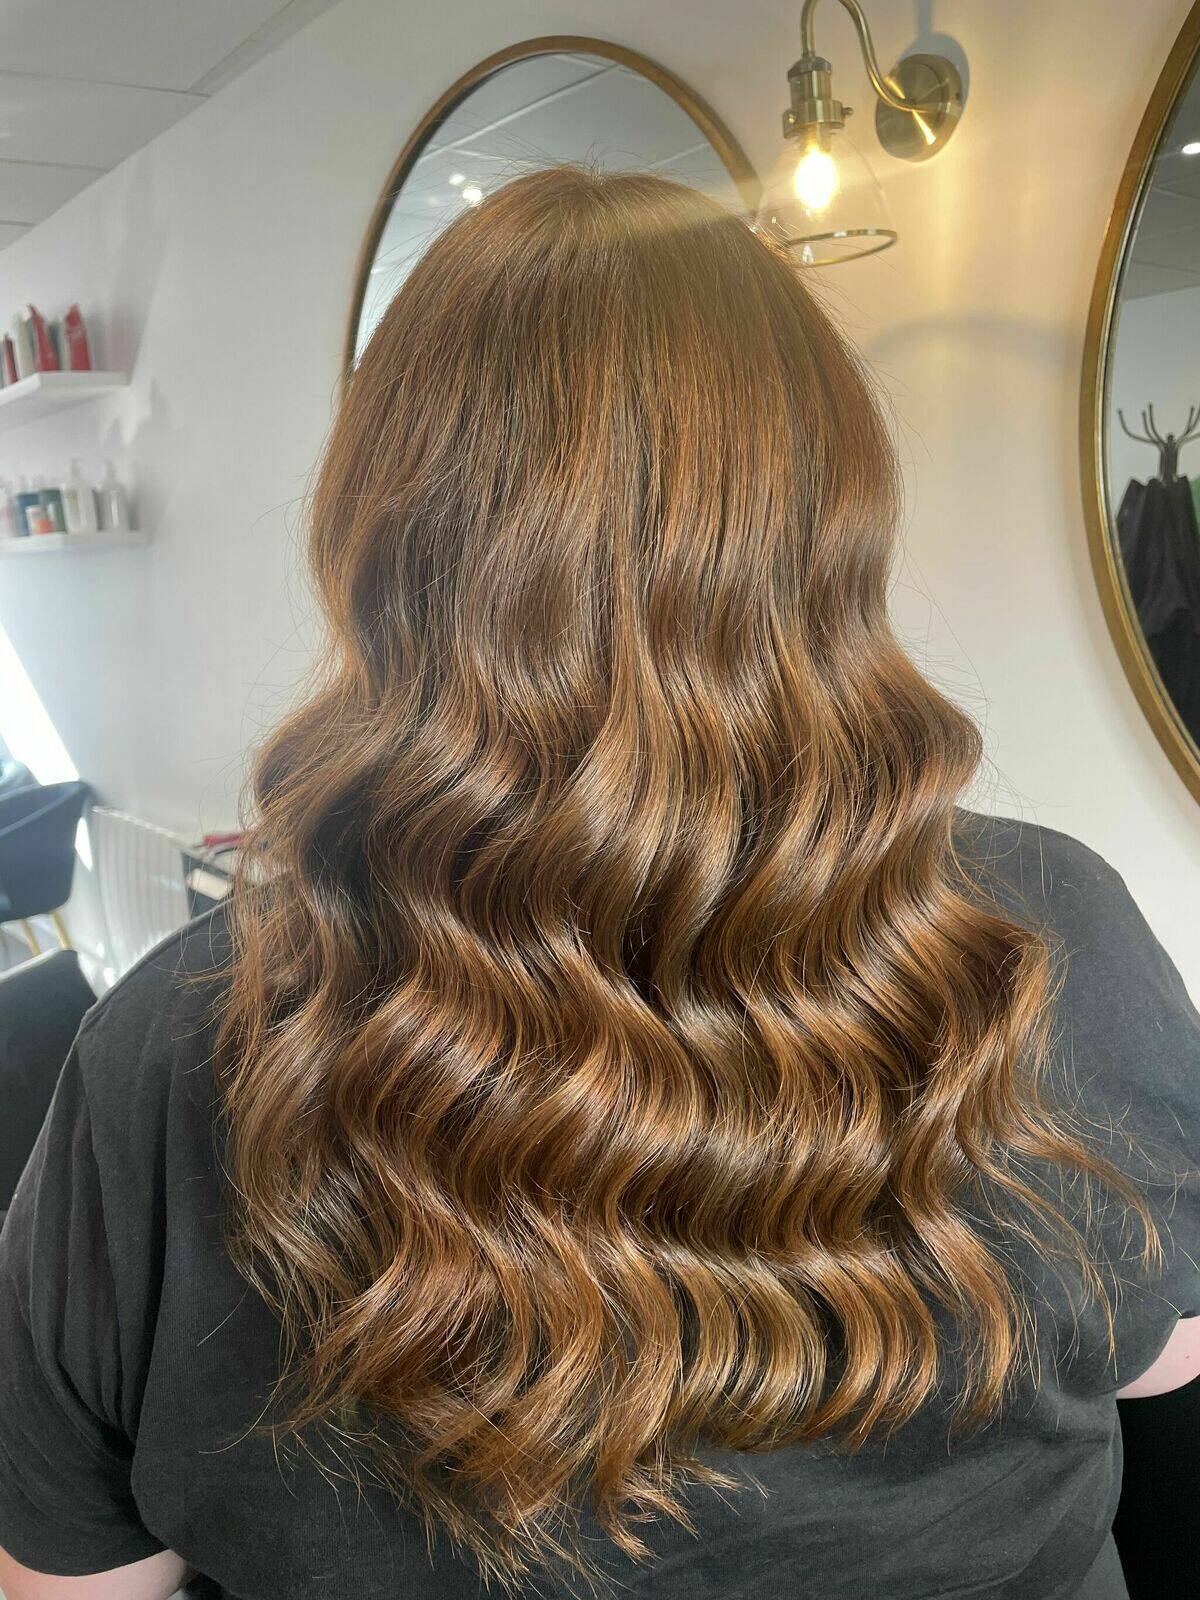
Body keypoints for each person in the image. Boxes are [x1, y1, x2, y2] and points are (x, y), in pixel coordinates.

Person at [0, 167, 1196, 1600]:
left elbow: (70, 1587)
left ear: (381, 543)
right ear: (828, 524)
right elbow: (1166, 1364)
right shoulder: (1053, 934)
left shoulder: (173, 1052)